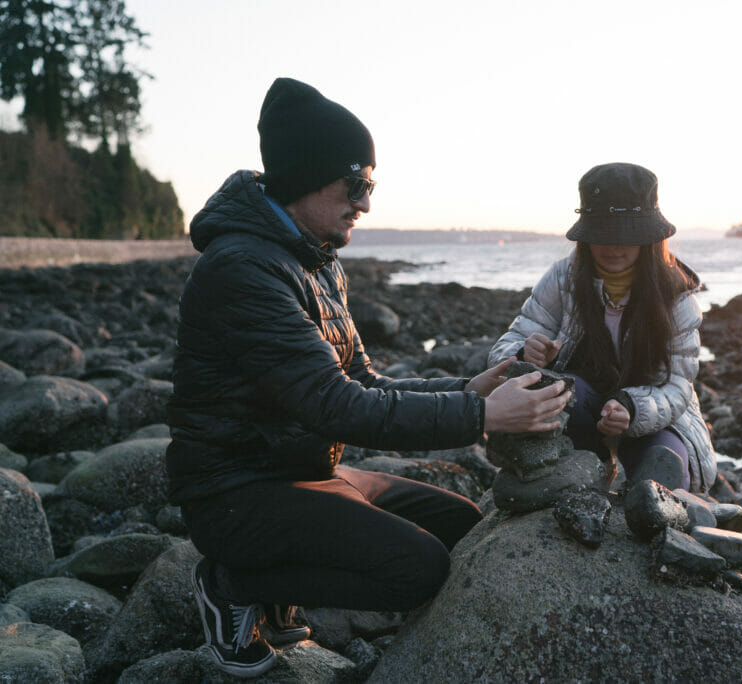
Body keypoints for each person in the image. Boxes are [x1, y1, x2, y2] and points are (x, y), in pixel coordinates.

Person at [165, 77, 571, 678]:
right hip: (237, 491)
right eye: (356, 185)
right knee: (419, 569)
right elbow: (336, 406)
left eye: (370, 186)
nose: (367, 204)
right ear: (306, 175)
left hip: (302, 470)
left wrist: (469, 390)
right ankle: (232, 582)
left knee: (465, 525)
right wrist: (484, 418)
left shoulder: (314, 258)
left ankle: (279, 587)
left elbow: (361, 379)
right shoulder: (242, 269)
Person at [488, 162, 715, 496]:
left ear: (649, 238)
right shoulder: (562, 278)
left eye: (626, 234)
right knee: (563, 389)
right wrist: (525, 353)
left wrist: (632, 408)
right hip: (581, 408)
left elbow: (677, 387)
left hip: (652, 415)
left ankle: (654, 500)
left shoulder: (676, 295)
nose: (613, 246)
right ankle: (583, 474)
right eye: (602, 233)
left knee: (664, 470)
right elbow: (503, 352)